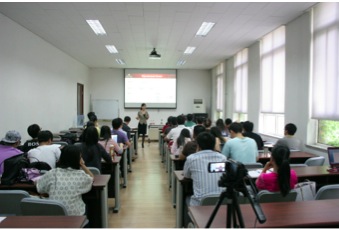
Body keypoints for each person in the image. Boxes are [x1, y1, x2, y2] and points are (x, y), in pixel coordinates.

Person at [36, 145, 94, 216]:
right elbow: (91, 178)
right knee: (87, 205)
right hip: (74, 216)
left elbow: (39, 188)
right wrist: (82, 165)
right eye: (80, 157)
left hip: (54, 216)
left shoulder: (52, 173)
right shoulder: (81, 175)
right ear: (77, 160)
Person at [183, 132, 227, 206]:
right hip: (221, 201)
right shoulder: (222, 157)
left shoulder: (191, 158)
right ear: (214, 144)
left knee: (186, 197)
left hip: (200, 203)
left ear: (198, 145)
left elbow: (186, 176)